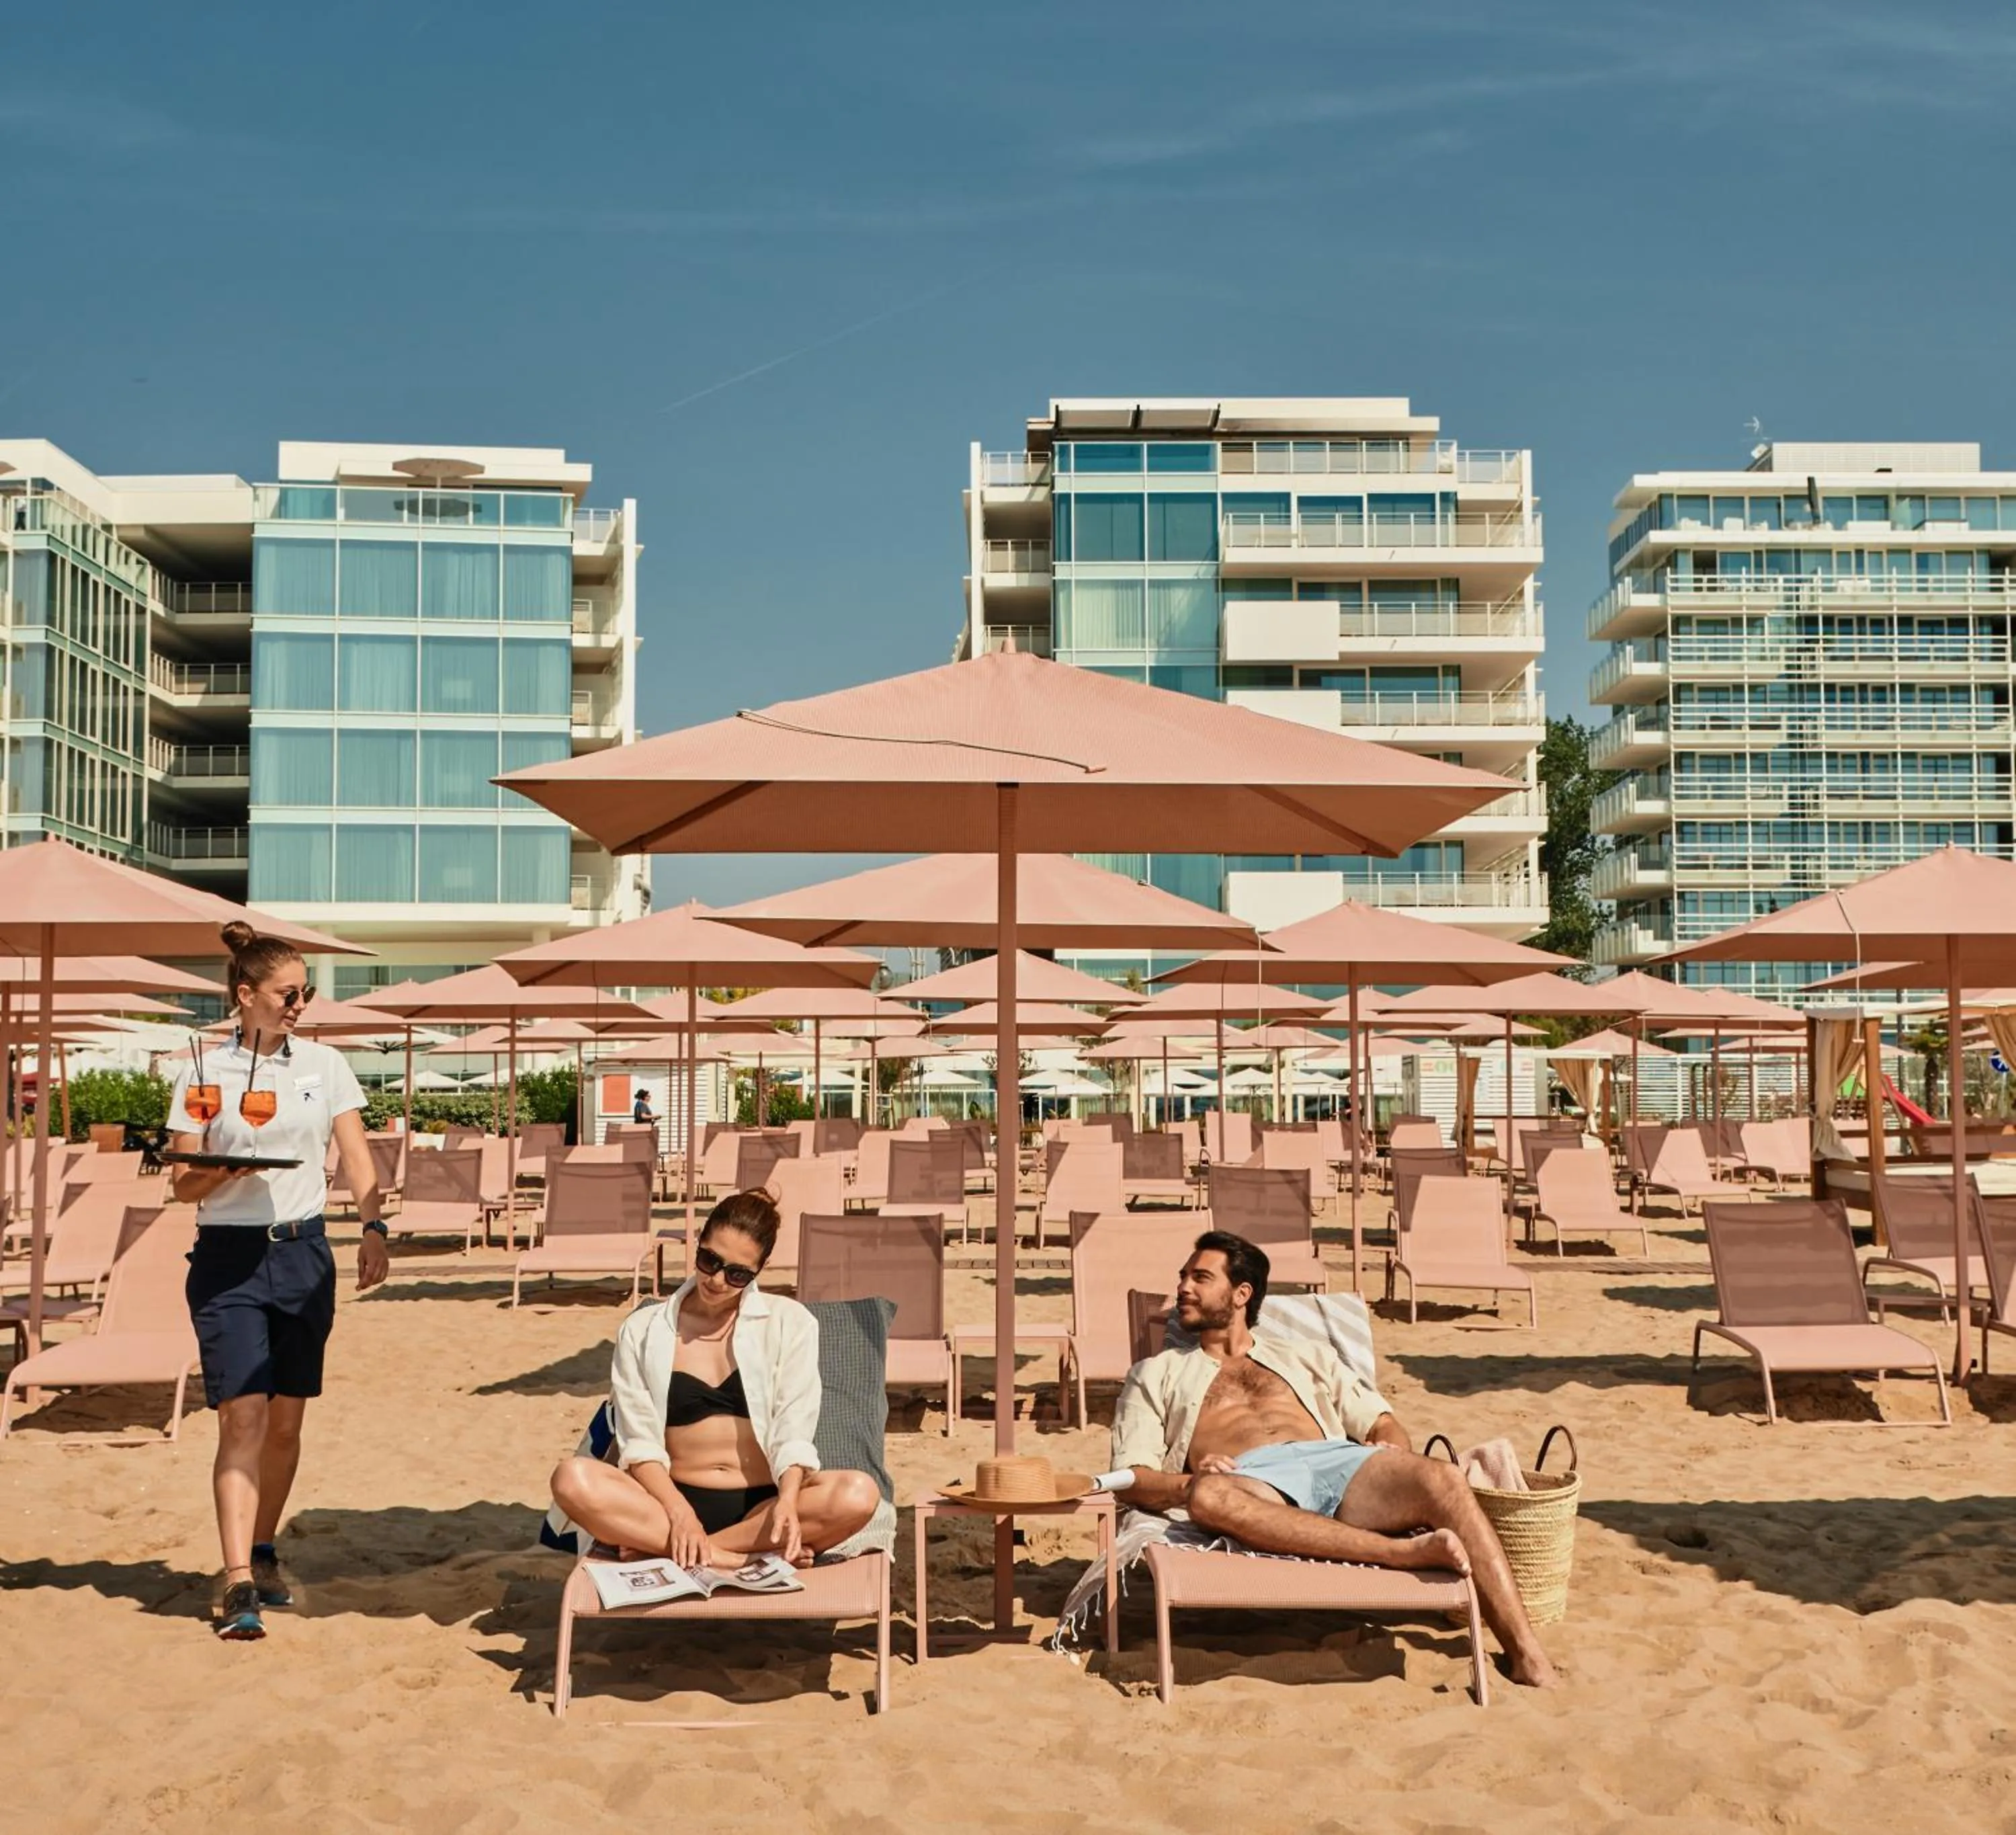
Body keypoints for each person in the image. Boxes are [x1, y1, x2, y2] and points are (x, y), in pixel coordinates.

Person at [1110, 1229, 1560, 1688]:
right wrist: (1188, 1483)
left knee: (1442, 1476)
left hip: (1338, 1465)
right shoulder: (1155, 1374)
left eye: (1200, 1278)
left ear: (1241, 1293)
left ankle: (1527, 1655)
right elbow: (1132, 1477)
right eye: (1183, 1277)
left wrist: (1391, 1449)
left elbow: (1380, 1421)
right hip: (1253, 1479)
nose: (1183, 1287)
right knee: (1208, 1496)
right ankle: (1399, 1554)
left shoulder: (1306, 1354)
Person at [167, 923, 388, 1642]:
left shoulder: (325, 1066)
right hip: (228, 1258)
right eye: (289, 994)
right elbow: (181, 1182)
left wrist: (375, 1220)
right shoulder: (204, 1067)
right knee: (244, 1417)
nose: (301, 1005)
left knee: (287, 1422)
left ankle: (262, 1550)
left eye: (306, 993)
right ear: (246, 996)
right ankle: (236, 1583)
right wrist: (222, 1169)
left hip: (303, 1256)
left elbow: (356, 1155)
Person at [550, 1189, 879, 1569]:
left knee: (858, 1493)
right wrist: (679, 1514)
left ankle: (674, 1550)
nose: (718, 1280)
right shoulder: (644, 1330)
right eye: (710, 1261)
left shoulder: (790, 1323)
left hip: (761, 1509)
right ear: (699, 1244)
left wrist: (788, 1500)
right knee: (571, 1479)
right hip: (667, 1503)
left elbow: (794, 1430)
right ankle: (733, 1559)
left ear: (760, 1270)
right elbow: (638, 1442)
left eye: (737, 1273)